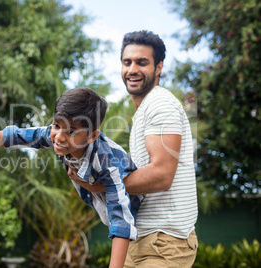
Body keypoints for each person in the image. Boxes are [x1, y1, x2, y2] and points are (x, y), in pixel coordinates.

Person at [0, 87, 144, 268]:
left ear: (92, 135)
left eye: (70, 132)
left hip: (140, 217)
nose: (59, 137)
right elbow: (10, 136)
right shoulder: (54, 136)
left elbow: (121, 220)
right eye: (56, 125)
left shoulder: (107, 161)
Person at [68, 31, 198, 267]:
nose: (132, 69)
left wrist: (98, 186)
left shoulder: (160, 103)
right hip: (141, 239)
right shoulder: (144, 110)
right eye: (127, 62)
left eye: (142, 62)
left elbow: (161, 175)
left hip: (163, 242)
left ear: (159, 67)